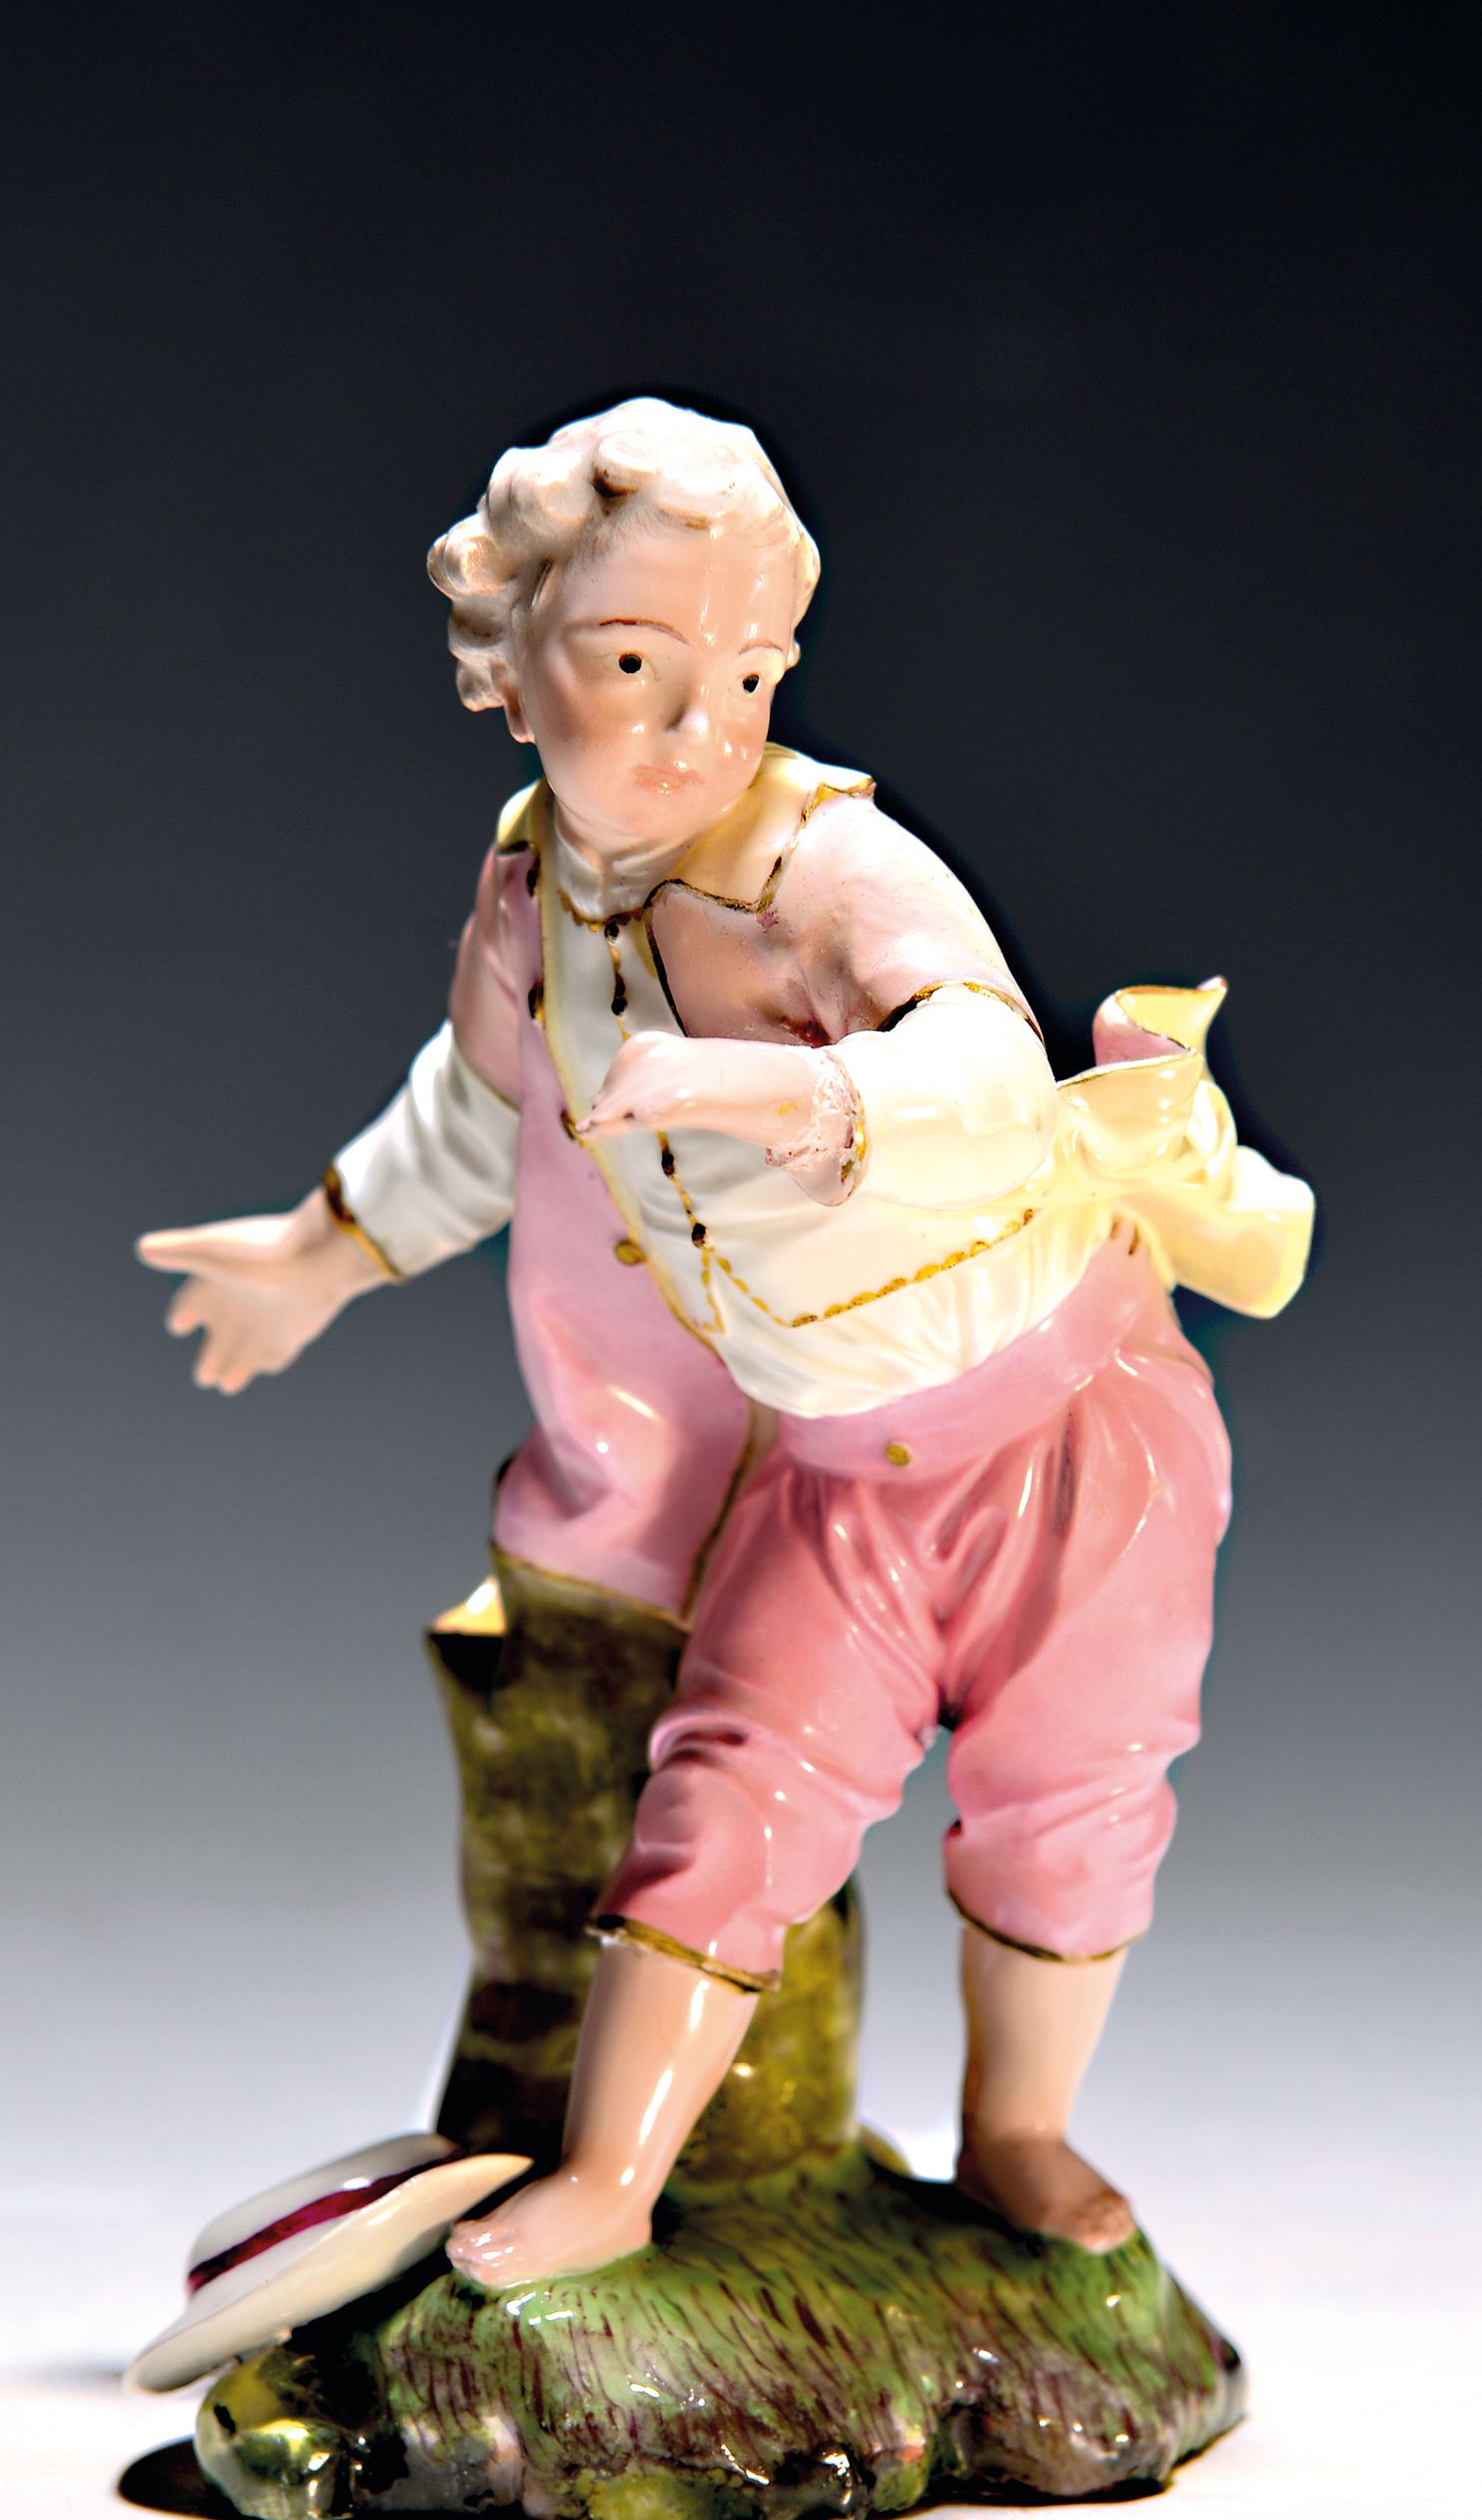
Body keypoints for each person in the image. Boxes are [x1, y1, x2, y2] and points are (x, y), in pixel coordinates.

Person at [140, 398, 1312, 2295]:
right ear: (507, 658)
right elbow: (485, 1111)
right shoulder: (534, 890)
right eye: (636, 666)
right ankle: (611, 2180)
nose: (705, 725)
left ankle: (1017, 2133)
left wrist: (794, 1096)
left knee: (1073, 1803)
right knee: (723, 1800)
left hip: (1071, 1423)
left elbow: (985, 1070)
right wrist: (320, 1250)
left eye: (751, 672)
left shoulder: (828, 871)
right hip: (832, 1469)